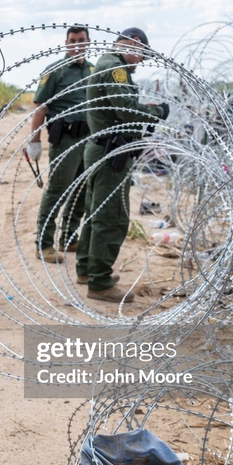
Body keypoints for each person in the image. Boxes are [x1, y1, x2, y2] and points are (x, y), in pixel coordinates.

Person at [76, 28, 169, 303]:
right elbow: (125, 108)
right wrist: (157, 112)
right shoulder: (115, 67)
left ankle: (87, 268)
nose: (140, 62)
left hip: (101, 148)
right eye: (142, 55)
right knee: (112, 217)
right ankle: (100, 282)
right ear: (134, 44)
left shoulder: (106, 63)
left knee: (96, 211)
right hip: (110, 153)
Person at [28, 26, 94, 262]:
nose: (77, 44)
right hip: (64, 140)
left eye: (82, 40)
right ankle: (44, 243)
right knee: (57, 191)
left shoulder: (93, 70)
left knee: (81, 190)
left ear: (89, 43)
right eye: (73, 40)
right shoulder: (55, 71)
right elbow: (40, 106)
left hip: (87, 139)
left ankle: (68, 236)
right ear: (66, 43)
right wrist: (34, 141)